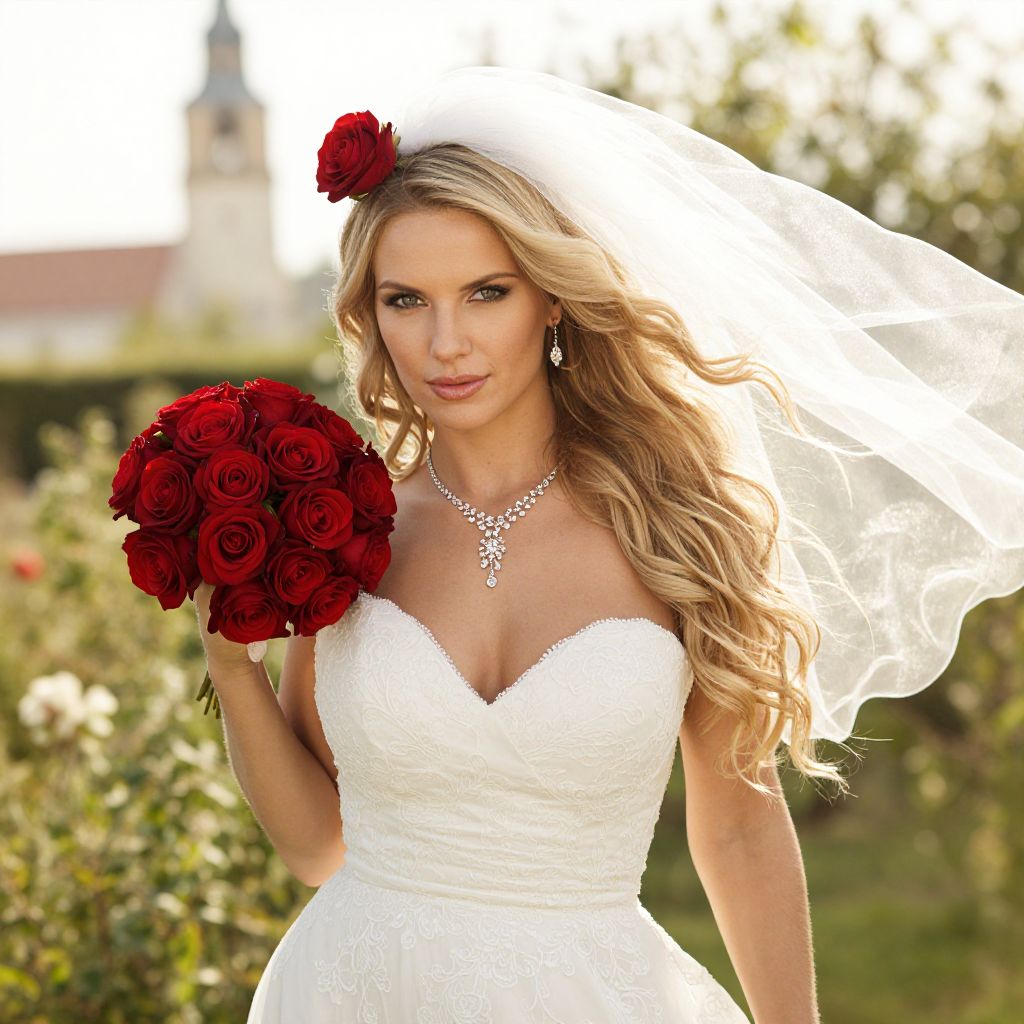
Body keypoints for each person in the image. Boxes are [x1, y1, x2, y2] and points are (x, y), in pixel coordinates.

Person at [194, 65, 1024, 1023]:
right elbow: (315, 846)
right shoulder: (341, 524)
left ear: (551, 299)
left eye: (487, 292)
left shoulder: (674, 524)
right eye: (407, 300)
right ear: (369, 314)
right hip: (349, 995)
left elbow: (742, 828)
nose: (445, 343)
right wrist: (231, 664)